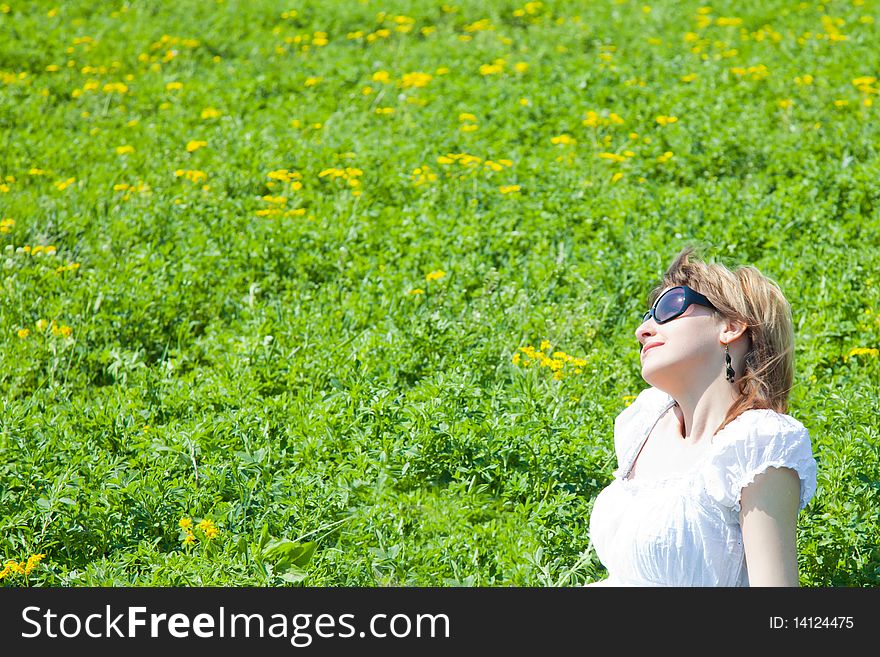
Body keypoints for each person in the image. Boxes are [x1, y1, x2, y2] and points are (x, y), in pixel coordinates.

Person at [585, 246, 817, 587]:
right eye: (647, 315)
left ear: (732, 325)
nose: (643, 330)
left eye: (668, 309)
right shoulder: (645, 422)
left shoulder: (758, 444)